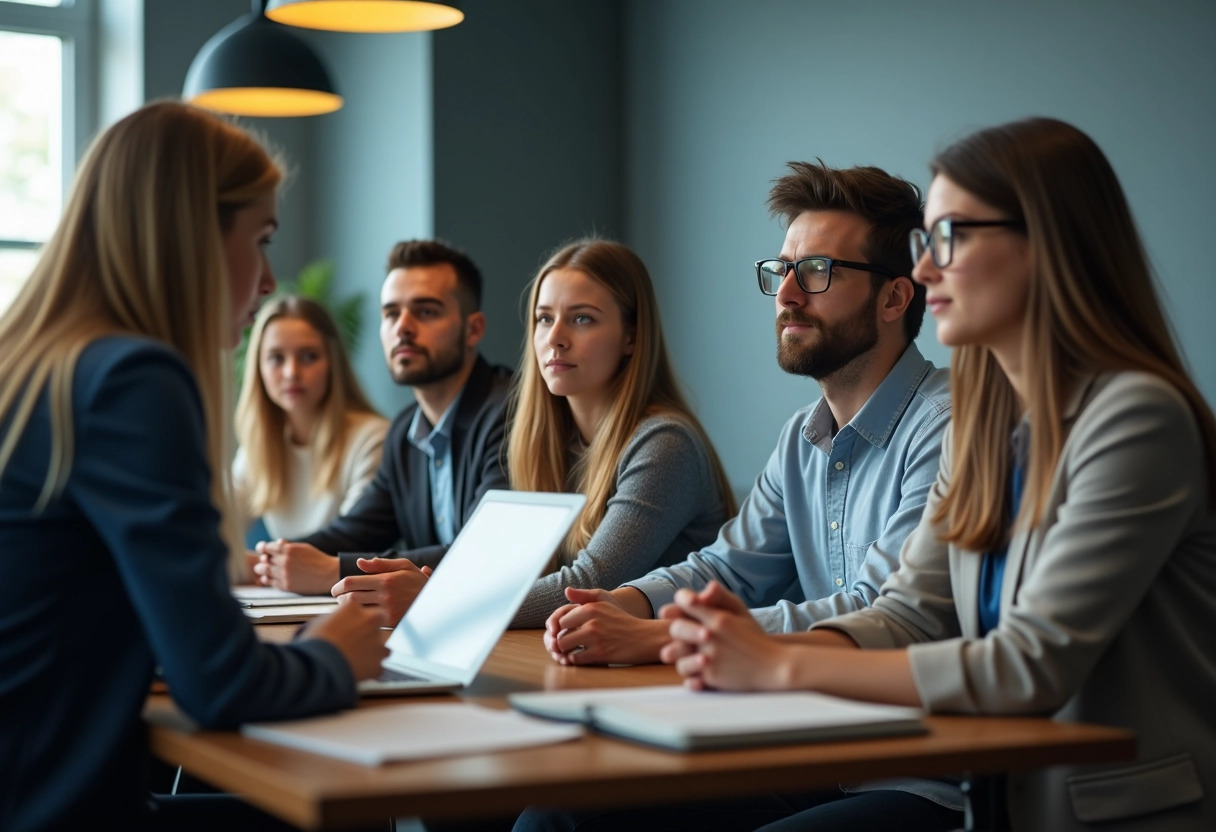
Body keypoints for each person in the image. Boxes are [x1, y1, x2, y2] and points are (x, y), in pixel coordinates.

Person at [662, 118, 1216, 831]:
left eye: (950, 237)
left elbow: (1027, 667)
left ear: (1047, 245)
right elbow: (908, 615)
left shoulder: (1138, 417)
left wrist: (774, 664)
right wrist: (744, 649)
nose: (924, 271)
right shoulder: (985, 428)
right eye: (927, 242)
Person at [516, 162, 960, 831]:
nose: (786, 295)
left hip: (918, 773)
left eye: (816, 272)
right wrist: (620, 602)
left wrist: (658, 635)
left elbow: (884, 611)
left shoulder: (949, 421)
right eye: (779, 271)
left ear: (896, 298)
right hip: (804, 749)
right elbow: (724, 568)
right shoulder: (800, 438)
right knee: (561, 811)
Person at [0, 101, 387, 832]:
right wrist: (332, 656)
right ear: (190, 236)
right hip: (54, 810)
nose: (269, 280)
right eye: (262, 239)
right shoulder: (130, 379)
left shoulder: (35, 367)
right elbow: (221, 684)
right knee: (351, 817)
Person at [253, 240, 512, 604]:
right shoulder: (405, 428)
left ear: (473, 329)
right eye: (391, 314)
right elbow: (355, 531)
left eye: (426, 312)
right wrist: (278, 557)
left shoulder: (512, 412)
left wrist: (333, 571)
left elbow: (483, 552)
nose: (403, 327)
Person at [233, 295, 388, 542]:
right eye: (276, 358)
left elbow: (353, 541)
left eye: (308, 356)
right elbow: (218, 531)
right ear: (258, 368)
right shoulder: (258, 446)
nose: (291, 372)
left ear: (332, 363)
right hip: (285, 580)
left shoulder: (372, 439)